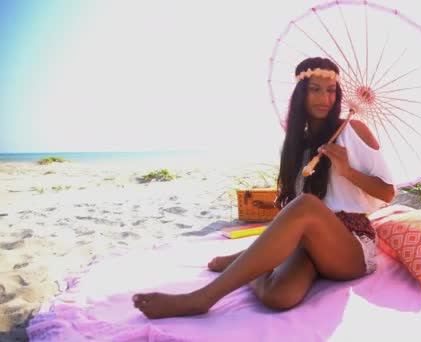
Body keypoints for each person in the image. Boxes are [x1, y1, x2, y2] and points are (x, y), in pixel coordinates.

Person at [132, 57, 396, 319]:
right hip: (308, 241)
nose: (324, 99)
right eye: (315, 89)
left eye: (331, 91)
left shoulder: (353, 130)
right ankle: (247, 261)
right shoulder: (294, 145)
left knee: (306, 205)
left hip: (349, 244)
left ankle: (201, 298)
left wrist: (347, 171)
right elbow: (291, 203)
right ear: (301, 93)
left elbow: (387, 192)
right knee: (277, 296)